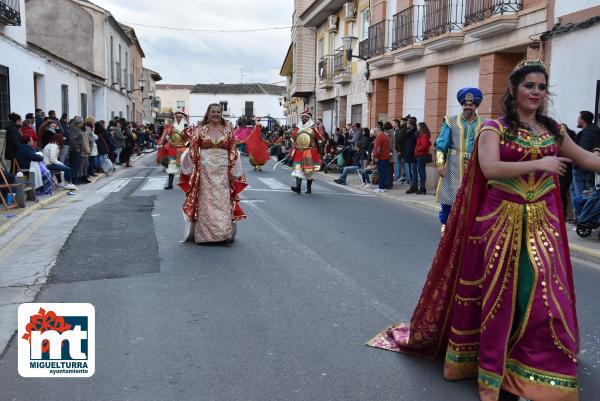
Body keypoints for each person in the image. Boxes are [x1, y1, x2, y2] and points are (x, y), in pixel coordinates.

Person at [368, 59, 600, 401]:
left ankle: (533, 368)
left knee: (544, 295)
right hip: (501, 221)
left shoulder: (554, 129)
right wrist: (541, 163)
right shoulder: (494, 128)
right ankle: (492, 365)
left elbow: (588, 160)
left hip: (544, 223)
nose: (535, 92)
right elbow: (490, 168)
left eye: (540, 87)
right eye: (529, 86)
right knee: (503, 294)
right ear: (513, 89)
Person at [180, 104, 246, 244]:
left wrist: (234, 171)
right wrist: (195, 168)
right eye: (213, 111)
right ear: (208, 113)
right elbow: (193, 148)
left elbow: (233, 151)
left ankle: (223, 234)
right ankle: (205, 236)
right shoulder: (200, 130)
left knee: (222, 202)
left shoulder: (227, 131)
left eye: (218, 111)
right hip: (205, 171)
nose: (216, 114)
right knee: (206, 202)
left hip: (223, 172)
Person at [435, 87, 486, 231]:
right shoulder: (450, 121)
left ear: (476, 106)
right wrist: (440, 164)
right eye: (465, 104)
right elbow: (440, 145)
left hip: (476, 166)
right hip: (453, 166)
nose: (467, 107)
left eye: (471, 105)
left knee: (473, 199)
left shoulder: (485, 124)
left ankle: (469, 230)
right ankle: (447, 229)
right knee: (450, 199)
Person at [290, 108, 324, 194]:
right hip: (299, 152)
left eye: (306, 117)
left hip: (310, 152)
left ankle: (309, 189)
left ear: (309, 118)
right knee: (298, 169)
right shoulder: (298, 128)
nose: (304, 118)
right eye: (303, 117)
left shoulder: (313, 128)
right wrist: (292, 150)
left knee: (309, 172)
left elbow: (319, 140)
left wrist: (320, 152)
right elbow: (294, 139)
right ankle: (298, 188)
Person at [571, 110, 600, 201]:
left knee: (582, 197)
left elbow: (584, 150)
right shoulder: (592, 131)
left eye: (578, 118)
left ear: (583, 120)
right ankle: (580, 214)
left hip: (581, 168)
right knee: (574, 191)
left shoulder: (588, 133)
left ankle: (584, 214)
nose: (577, 121)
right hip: (586, 167)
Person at [158, 111, 189, 189]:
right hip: (173, 149)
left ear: (183, 118)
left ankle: (188, 184)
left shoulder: (187, 127)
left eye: (180, 117)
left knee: (185, 167)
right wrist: (162, 143)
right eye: (177, 117)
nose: (178, 118)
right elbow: (167, 136)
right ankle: (170, 185)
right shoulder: (171, 127)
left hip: (183, 149)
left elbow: (190, 138)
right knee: (171, 166)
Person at [372, 124, 391, 193]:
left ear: (379, 129)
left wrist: (376, 156)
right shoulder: (386, 137)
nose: (374, 131)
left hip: (381, 157)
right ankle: (384, 186)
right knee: (385, 173)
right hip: (386, 157)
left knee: (381, 173)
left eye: (375, 129)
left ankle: (381, 187)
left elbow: (378, 148)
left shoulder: (379, 137)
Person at [414, 122, 432, 194]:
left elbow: (425, 145)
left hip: (421, 156)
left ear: (421, 128)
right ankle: (422, 188)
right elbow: (428, 143)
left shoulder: (423, 136)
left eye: (418, 126)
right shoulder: (422, 135)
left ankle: (422, 188)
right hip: (421, 155)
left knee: (421, 172)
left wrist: (417, 148)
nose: (417, 128)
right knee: (422, 172)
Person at [404, 117, 418, 193]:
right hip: (409, 154)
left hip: (413, 154)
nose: (407, 124)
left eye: (408, 123)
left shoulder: (415, 132)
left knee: (414, 171)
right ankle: (413, 185)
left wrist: (412, 152)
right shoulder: (409, 131)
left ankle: (413, 186)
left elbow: (414, 144)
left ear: (411, 124)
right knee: (412, 171)